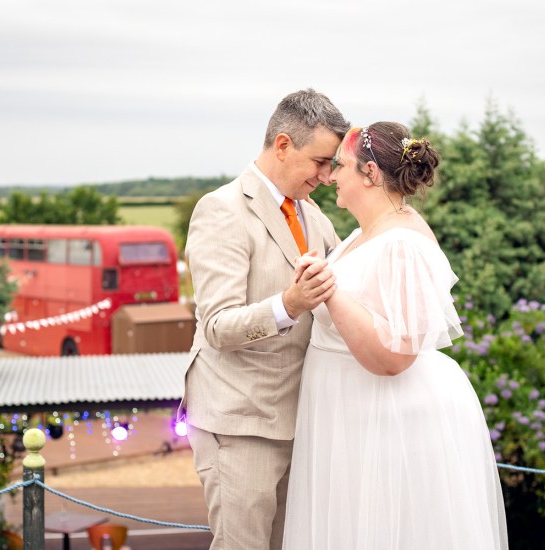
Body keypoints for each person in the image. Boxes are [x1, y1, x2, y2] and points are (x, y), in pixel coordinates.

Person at [282, 122, 509, 549]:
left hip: (386, 421)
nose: (330, 176)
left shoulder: (403, 242)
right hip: (349, 416)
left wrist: (328, 289)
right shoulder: (363, 233)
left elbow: (393, 357)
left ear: (370, 173)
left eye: (341, 166)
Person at [178, 89, 350, 550]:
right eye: (320, 162)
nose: (326, 176)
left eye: (332, 164)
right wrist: (288, 304)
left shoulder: (313, 214)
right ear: (283, 145)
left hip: (300, 420)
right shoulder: (221, 210)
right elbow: (217, 326)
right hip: (239, 424)